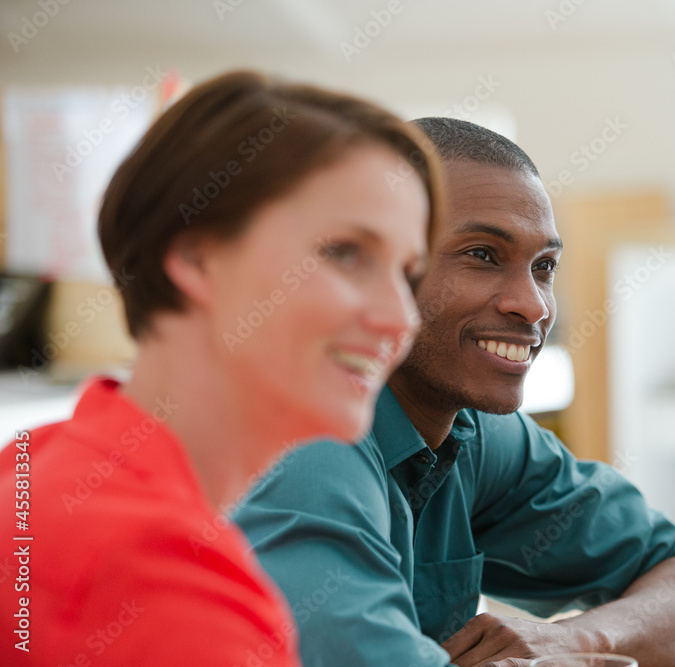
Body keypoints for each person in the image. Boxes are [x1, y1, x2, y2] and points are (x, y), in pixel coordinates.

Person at [234, 118, 675, 667]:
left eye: (544, 267)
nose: (535, 305)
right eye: (482, 255)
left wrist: (577, 640)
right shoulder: (306, 434)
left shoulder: (478, 431)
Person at [0, 71, 443, 665]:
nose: (402, 318)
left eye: (408, 275)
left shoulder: (37, 465)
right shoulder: (165, 584)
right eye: (345, 253)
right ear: (195, 256)